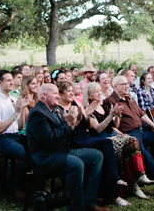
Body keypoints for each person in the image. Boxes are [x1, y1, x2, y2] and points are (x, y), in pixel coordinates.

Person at [25, 83, 107, 211]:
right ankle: (75, 208)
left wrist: (76, 122)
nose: (58, 96)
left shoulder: (53, 110)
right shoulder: (37, 114)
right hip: (46, 157)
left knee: (96, 156)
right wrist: (67, 123)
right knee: (76, 164)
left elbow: (65, 133)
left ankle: (89, 202)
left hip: (61, 151)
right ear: (43, 95)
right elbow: (50, 140)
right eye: (55, 93)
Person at [104, 76, 154, 202]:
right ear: (115, 87)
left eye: (127, 84)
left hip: (141, 132)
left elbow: (142, 115)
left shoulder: (130, 98)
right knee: (145, 154)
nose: (126, 86)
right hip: (129, 136)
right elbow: (111, 125)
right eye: (123, 84)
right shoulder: (110, 101)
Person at [58, 81, 130, 207]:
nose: (72, 93)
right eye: (68, 91)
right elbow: (67, 131)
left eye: (72, 91)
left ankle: (110, 191)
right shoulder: (59, 109)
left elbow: (87, 125)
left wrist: (87, 114)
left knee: (105, 149)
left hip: (84, 137)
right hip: (74, 142)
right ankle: (114, 181)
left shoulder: (75, 103)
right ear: (61, 94)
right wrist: (73, 120)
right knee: (106, 144)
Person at [82, 82, 149, 200]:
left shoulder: (103, 106)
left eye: (99, 91)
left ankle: (137, 178)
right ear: (90, 95)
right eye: (96, 92)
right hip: (102, 139)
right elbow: (98, 129)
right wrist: (110, 116)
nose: (99, 93)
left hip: (112, 134)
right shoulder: (89, 109)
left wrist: (118, 116)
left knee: (131, 140)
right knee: (129, 141)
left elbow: (115, 125)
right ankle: (135, 180)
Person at [0, 70, 32, 197]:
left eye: (12, 80)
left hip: (16, 135)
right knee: (26, 155)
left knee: (37, 148)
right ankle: (16, 185)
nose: (12, 83)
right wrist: (16, 113)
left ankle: (31, 183)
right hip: (2, 139)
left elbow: (20, 126)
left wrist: (23, 109)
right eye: (8, 80)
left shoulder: (12, 99)